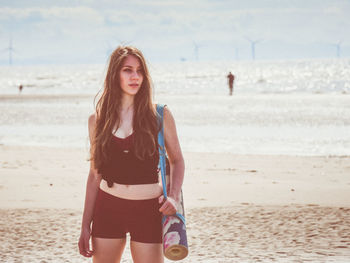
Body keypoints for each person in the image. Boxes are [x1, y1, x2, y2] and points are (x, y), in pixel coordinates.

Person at [78, 46, 185, 263]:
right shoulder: (97, 121)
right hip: (108, 207)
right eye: (127, 70)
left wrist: (173, 196)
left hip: (149, 210)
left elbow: (177, 160)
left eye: (139, 71)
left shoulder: (159, 115)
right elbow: (94, 176)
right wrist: (84, 226)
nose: (135, 76)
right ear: (114, 74)